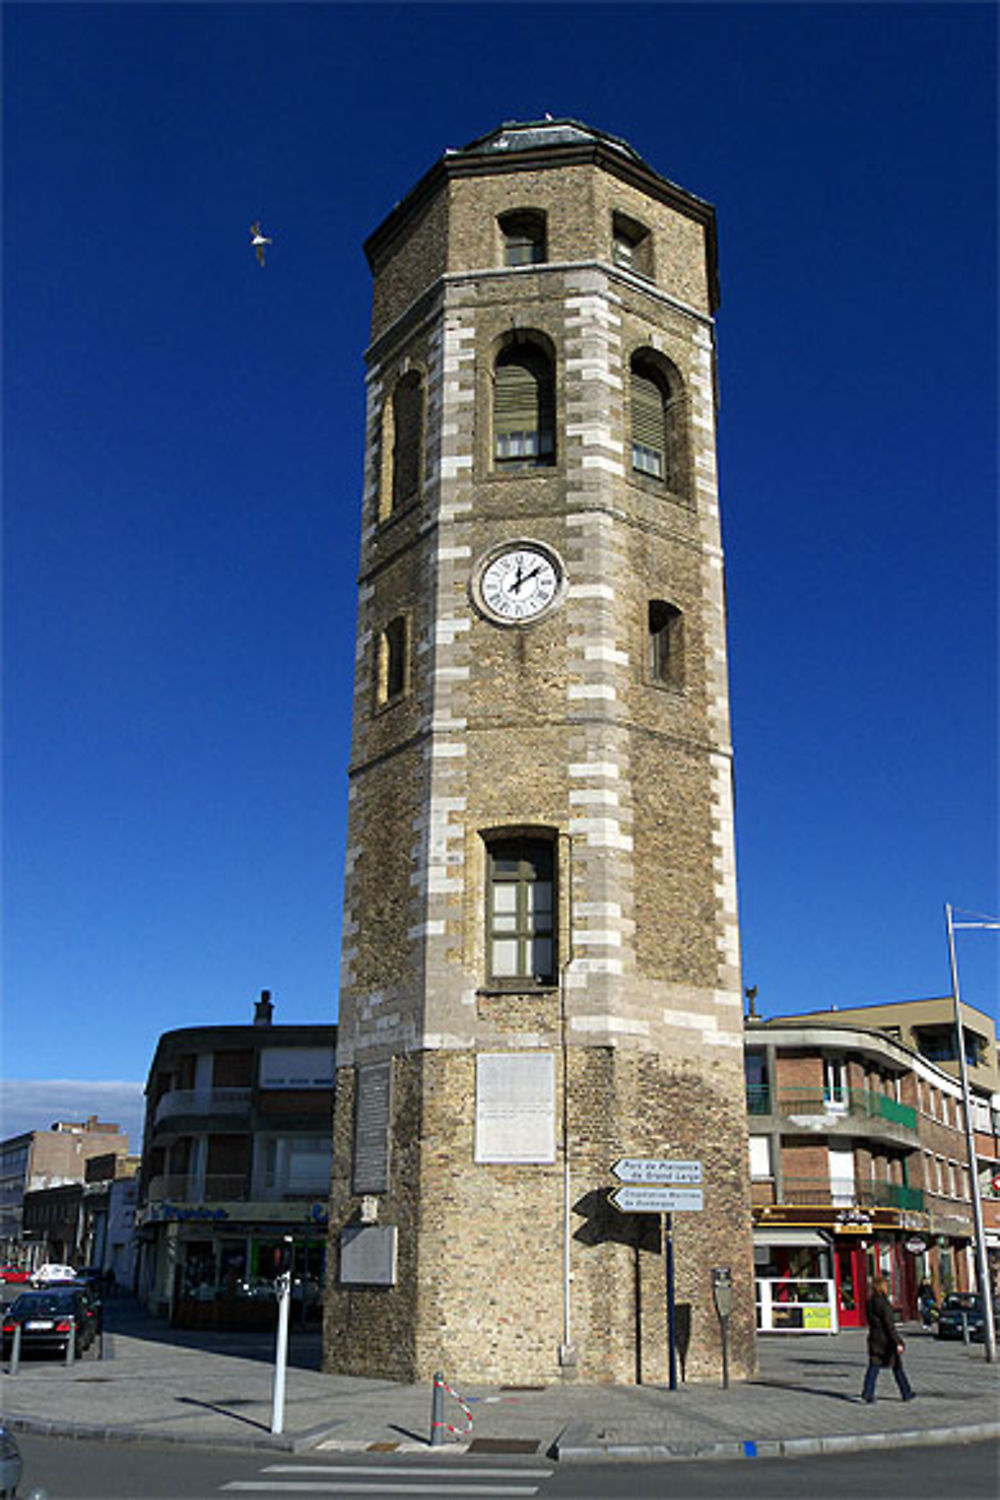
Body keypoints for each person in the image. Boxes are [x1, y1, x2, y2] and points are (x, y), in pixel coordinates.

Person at [862, 1275, 915, 1403]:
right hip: (886, 1341)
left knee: (874, 1366)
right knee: (897, 1366)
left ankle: (868, 1392)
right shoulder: (884, 1303)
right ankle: (906, 1392)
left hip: (874, 1337)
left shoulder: (870, 1302)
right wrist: (898, 1341)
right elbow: (889, 1324)